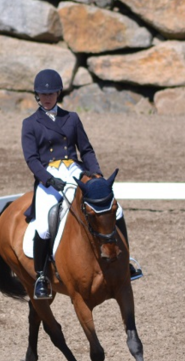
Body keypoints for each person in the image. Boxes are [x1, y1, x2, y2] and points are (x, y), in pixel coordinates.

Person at [21, 68, 143, 300]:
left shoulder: (72, 118)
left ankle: (125, 262)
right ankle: (41, 277)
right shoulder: (30, 123)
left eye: (51, 94)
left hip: (75, 172)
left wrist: (96, 175)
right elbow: (31, 159)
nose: (47, 98)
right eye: (42, 94)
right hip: (49, 176)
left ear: (58, 93)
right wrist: (48, 179)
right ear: (37, 95)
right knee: (45, 225)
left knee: (116, 211)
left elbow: (85, 149)